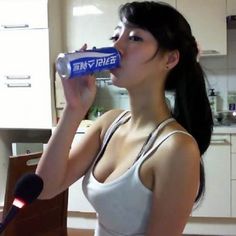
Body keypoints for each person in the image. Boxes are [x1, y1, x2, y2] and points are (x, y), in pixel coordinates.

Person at [36, 1, 213, 235]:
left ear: (169, 59)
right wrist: (74, 108)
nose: (116, 47)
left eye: (135, 38)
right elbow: (45, 188)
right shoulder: (109, 124)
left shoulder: (176, 148)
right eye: (115, 36)